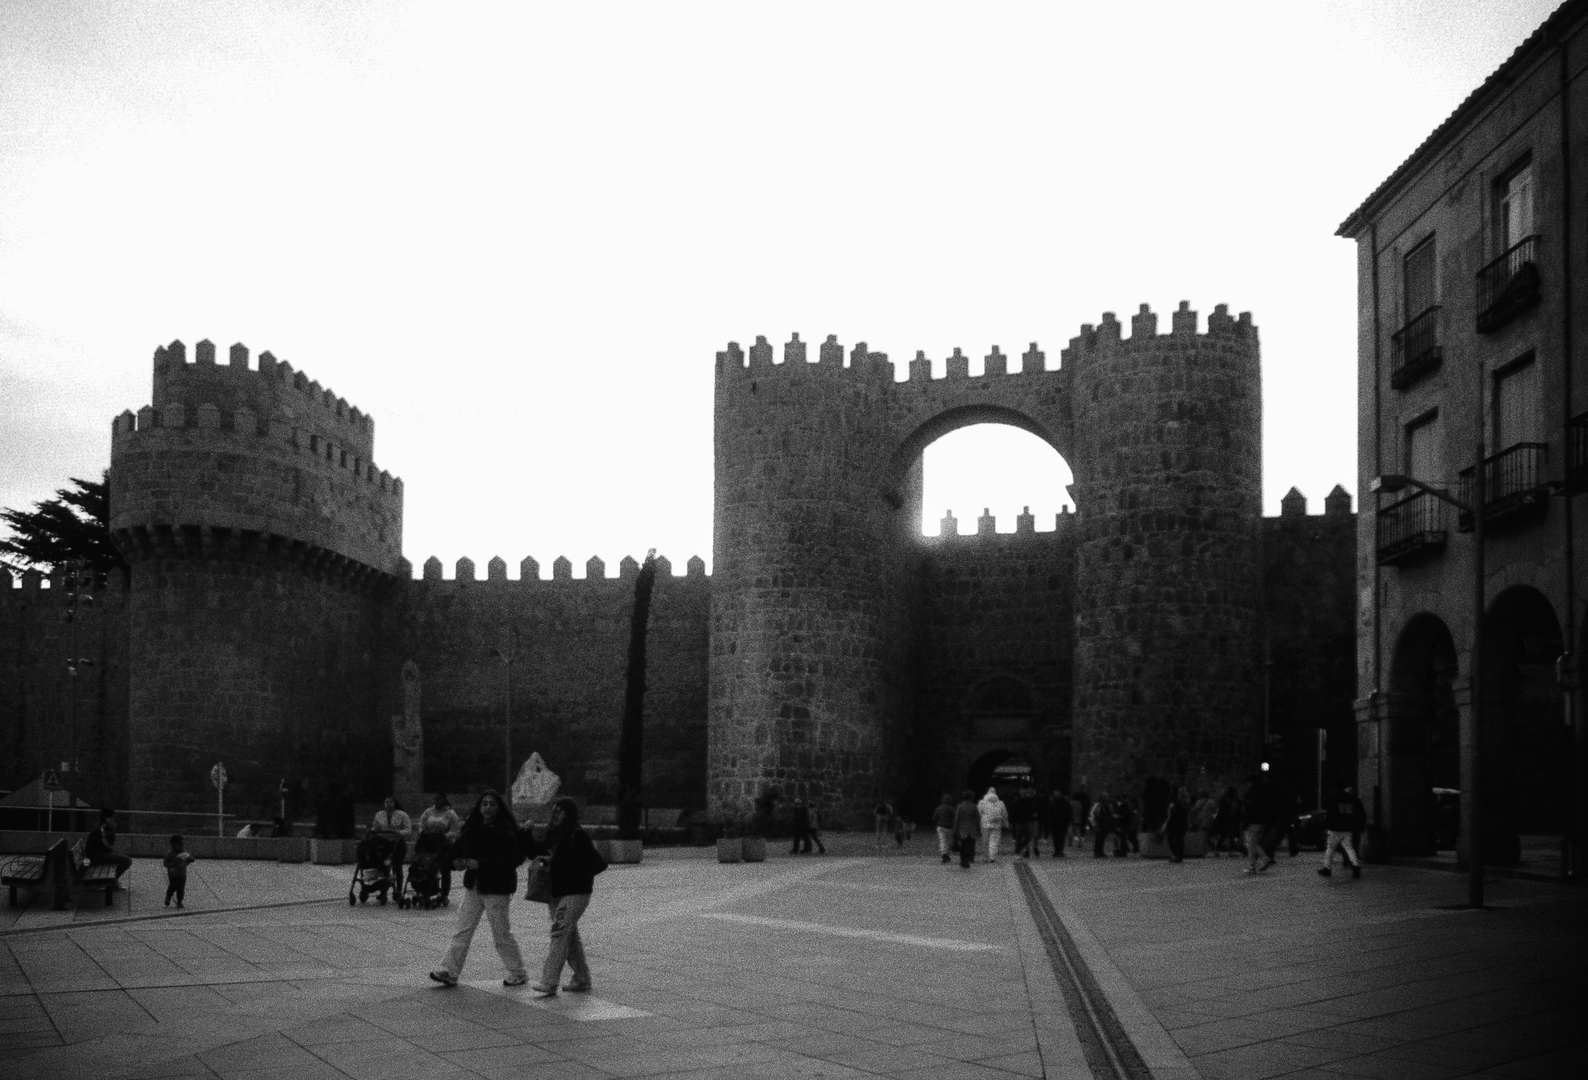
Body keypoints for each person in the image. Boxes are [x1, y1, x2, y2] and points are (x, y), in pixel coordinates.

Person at [429, 790, 528, 988]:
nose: (488, 807)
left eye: (492, 804)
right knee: (462, 930)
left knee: (501, 934)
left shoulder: (506, 830)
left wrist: (481, 864)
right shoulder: (472, 827)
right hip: (474, 886)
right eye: (485, 804)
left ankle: (518, 972)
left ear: (499, 808)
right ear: (479, 807)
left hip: (497, 888)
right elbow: (456, 849)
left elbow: (512, 860)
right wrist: (453, 862)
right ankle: (449, 971)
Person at [523, 797, 607, 997]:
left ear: (570, 814)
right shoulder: (554, 835)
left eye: (561, 811)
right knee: (570, 938)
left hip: (576, 892)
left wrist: (564, 866)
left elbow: (598, 864)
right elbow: (534, 851)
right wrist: (526, 833)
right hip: (556, 892)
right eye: (555, 811)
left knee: (559, 932)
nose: (556, 815)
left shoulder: (577, 835)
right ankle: (582, 978)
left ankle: (549, 981)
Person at [417, 791, 463, 901]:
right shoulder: (428, 812)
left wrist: (444, 836)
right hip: (429, 843)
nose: (436, 802)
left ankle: (444, 893)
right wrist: (423, 832)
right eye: (434, 799)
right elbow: (422, 824)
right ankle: (426, 889)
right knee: (427, 866)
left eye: (438, 799)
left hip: (444, 845)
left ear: (443, 800)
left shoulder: (450, 813)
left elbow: (455, 830)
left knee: (444, 868)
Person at [1319, 784, 1366, 879]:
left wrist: (1327, 826)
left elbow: (1330, 814)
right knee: (1349, 848)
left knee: (1330, 848)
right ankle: (1356, 867)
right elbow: (1359, 812)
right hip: (1347, 828)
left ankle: (1327, 868)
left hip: (1335, 828)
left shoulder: (1334, 798)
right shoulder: (1352, 798)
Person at [372, 796, 413, 896]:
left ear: (395, 803)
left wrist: (399, 832)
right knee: (385, 865)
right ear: (384, 804)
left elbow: (408, 830)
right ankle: (384, 889)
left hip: (397, 843)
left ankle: (398, 889)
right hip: (385, 843)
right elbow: (375, 828)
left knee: (397, 866)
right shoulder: (379, 815)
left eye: (391, 802)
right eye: (387, 802)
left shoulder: (402, 815)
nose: (389, 804)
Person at [1241, 773, 1280, 874]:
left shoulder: (1252, 793)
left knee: (1251, 844)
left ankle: (1253, 865)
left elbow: (1250, 808)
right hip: (1263, 821)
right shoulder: (1265, 791)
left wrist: (1246, 820)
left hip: (1253, 820)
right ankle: (1263, 859)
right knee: (1253, 843)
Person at [84, 807, 133, 886]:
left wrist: (112, 831)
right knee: (127, 861)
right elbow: (108, 847)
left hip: (99, 855)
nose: (114, 820)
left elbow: (109, 845)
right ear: (106, 819)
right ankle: (110, 881)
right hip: (96, 857)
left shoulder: (104, 829)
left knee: (122, 859)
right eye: (112, 818)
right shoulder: (100, 830)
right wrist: (112, 831)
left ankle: (111, 880)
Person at [977, 787, 1008, 862]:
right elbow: (1004, 814)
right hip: (997, 824)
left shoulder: (982, 802)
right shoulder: (1000, 803)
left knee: (985, 841)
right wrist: (1005, 823)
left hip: (985, 824)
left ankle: (985, 857)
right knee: (994, 841)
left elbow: (979, 813)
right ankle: (992, 857)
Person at [952, 790, 981, 868]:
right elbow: (978, 819)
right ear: (971, 797)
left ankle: (963, 860)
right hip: (972, 829)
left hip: (961, 829)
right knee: (970, 845)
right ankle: (967, 859)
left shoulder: (960, 806)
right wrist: (978, 829)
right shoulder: (974, 806)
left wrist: (955, 830)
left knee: (963, 845)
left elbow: (957, 819)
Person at [163, 834, 193, 907]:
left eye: (183, 844)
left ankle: (179, 901)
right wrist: (173, 864)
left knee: (181, 888)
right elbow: (165, 863)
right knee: (172, 886)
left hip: (182, 874)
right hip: (173, 874)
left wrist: (186, 862)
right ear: (173, 845)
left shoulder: (184, 852)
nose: (182, 846)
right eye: (179, 844)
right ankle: (169, 896)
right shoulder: (170, 853)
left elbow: (189, 859)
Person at [1163, 787, 1190, 863]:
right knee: (1179, 840)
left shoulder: (1174, 804)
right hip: (1183, 824)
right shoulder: (1183, 803)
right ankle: (1179, 856)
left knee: (1172, 840)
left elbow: (1172, 815)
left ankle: (1177, 855)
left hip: (1175, 825)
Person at [932, 794, 956, 864]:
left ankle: (944, 854)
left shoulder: (939, 808)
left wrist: (938, 823)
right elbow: (955, 818)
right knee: (948, 842)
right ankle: (947, 854)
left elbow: (934, 818)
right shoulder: (952, 809)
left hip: (940, 826)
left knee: (942, 841)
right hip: (949, 827)